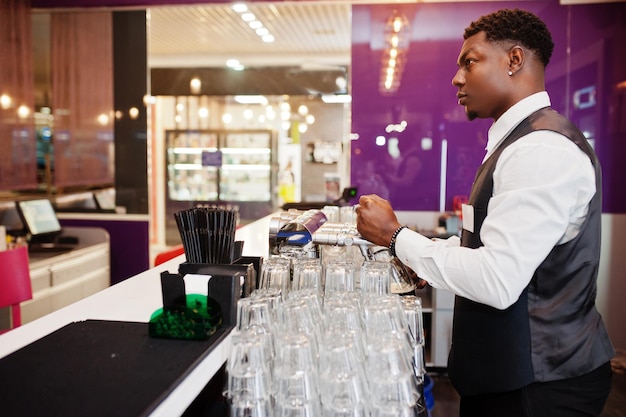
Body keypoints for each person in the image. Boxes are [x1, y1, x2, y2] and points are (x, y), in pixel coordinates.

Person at [356, 8, 614, 417]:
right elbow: (494, 251)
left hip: (540, 386)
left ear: (514, 60)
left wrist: (396, 236)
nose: (457, 78)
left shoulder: (540, 149)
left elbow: (497, 278)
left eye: (470, 61)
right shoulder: (517, 142)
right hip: (509, 375)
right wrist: (424, 256)